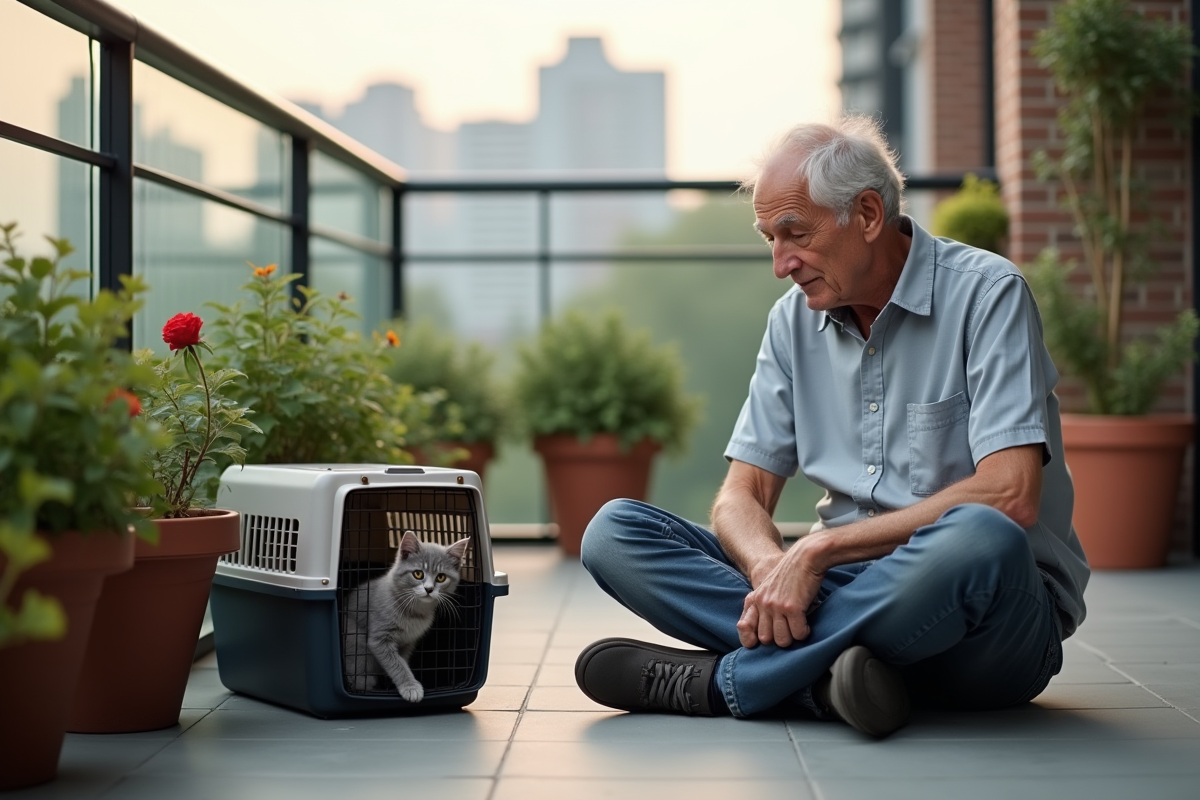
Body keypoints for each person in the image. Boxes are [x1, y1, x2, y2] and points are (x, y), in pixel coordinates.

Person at [573, 116, 1090, 738]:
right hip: (850, 592)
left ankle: (727, 684)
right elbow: (743, 494)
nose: (780, 263)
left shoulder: (989, 294)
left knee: (982, 535)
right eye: (769, 238)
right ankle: (837, 681)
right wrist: (770, 567)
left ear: (868, 214)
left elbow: (1010, 494)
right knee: (614, 531)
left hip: (985, 622)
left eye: (794, 233)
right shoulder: (792, 323)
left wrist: (817, 551)